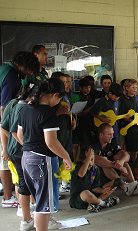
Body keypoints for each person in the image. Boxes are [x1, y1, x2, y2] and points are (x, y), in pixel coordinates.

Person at [17, 78, 73, 231]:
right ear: (54, 95)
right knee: (44, 204)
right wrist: (66, 156)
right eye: (59, 98)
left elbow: (20, 135)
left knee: (38, 199)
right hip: (42, 160)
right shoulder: (48, 112)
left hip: (26, 157)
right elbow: (51, 142)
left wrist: (32, 147)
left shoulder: (25, 108)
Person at [0, 51, 39, 213]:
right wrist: (10, 137)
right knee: (6, 159)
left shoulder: (5, 68)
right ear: (22, 65)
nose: (29, 74)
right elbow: (4, 109)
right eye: (29, 70)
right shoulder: (11, 77)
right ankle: (8, 197)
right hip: (3, 125)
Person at [1, 87, 36, 230]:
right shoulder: (19, 105)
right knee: (24, 183)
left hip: (21, 149)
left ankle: (27, 212)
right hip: (19, 151)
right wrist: (11, 146)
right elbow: (6, 128)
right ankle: (26, 218)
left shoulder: (19, 104)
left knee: (26, 182)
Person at [92, 123, 138, 196]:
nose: (112, 136)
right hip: (97, 178)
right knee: (104, 163)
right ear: (101, 134)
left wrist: (121, 161)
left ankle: (133, 185)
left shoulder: (112, 142)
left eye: (112, 134)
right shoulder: (94, 144)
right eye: (109, 134)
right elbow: (96, 159)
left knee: (121, 158)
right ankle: (125, 187)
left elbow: (126, 154)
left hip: (112, 174)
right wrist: (119, 166)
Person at [70, 146, 119, 213]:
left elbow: (94, 188)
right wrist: (88, 158)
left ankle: (95, 203)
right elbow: (81, 174)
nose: (91, 162)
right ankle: (104, 204)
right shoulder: (77, 166)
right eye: (89, 159)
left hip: (92, 196)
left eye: (92, 159)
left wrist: (102, 190)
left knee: (115, 182)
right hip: (79, 199)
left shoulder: (95, 169)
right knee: (86, 193)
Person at [118, 79, 138, 158]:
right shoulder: (122, 100)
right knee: (133, 145)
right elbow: (122, 115)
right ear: (126, 88)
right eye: (133, 87)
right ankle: (133, 161)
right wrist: (132, 121)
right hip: (130, 126)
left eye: (136, 87)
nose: (135, 89)